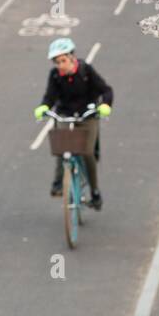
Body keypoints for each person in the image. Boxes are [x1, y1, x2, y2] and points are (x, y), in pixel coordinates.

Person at [34, 38, 113, 208]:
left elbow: (106, 90)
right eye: (57, 62)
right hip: (65, 114)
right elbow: (49, 97)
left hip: (87, 116)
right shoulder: (55, 75)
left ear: (72, 57)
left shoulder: (86, 71)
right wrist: (43, 107)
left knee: (87, 153)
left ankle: (94, 192)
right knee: (62, 148)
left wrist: (105, 105)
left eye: (63, 61)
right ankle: (58, 184)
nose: (60, 65)